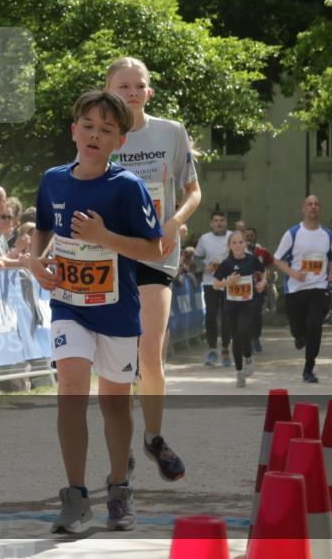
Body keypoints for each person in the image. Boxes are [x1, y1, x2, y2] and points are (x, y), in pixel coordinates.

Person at [29, 90, 163, 533]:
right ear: (74, 131)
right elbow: (44, 226)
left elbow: (153, 248)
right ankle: (74, 497)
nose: (94, 135)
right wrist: (36, 260)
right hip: (69, 305)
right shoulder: (53, 180)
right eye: (88, 125)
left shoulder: (126, 187)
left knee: (115, 405)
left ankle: (120, 489)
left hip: (117, 312)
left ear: (118, 142)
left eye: (106, 130)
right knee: (70, 387)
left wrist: (105, 238)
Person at [103, 56, 200, 481]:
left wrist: (175, 221)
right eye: (123, 86)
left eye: (138, 85)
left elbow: (194, 191)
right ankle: (120, 446)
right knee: (116, 359)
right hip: (109, 255)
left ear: (149, 92)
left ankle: (154, 437)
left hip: (157, 251)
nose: (131, 92)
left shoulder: (171, 133)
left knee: (149, 353)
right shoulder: (99, 132)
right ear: (108, 91)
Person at [273, 195, 332, 383]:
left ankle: (308, 369)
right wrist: (293, 273)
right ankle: (298, 335)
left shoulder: (328, 235)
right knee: (298, 329)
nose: (313, 207)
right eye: (309, 204)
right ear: (303, 209)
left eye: (317, 204)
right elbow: (277, 259)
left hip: (319, 288)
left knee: (314, 326)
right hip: (295, 290)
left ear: (320, 209)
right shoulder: (293, 233)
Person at [212, 231, 267, 388]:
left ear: (246, 244)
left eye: (241, 242)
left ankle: (248, 357)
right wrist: (227, 282)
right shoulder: (226, 264)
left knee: (244, 331)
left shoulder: (252, 260)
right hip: (231, 305)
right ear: (229, 246)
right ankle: (239, 372)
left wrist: (262, 282)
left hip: (248, 303)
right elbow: (215, 284)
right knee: (235, 337)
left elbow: (263, 272)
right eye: (234, 243)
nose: (238, 245)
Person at [195, 211, 232, 366]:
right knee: (210, 315)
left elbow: (241, 254)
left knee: (226, 316)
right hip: (210, 282)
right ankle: (211, 349)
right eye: (216, 221)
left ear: (226, 222)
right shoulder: (205, 239)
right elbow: (197, 257)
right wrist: (205, 266)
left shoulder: (232, 236)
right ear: (211, 223)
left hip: (228, 283)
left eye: (221, 220)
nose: (219, 223)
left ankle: (225, 348)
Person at [244, 227, 273, 353]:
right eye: (247, 235)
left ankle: (255, 337)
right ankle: (248, 339)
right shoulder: (240, 251)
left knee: (255, 313)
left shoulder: (262, 251)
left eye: (251, 235)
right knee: (246, 313)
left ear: (255, 237)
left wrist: (268, 278)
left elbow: (269, 263)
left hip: (258, 288)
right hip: (244, 288)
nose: (249, 237)